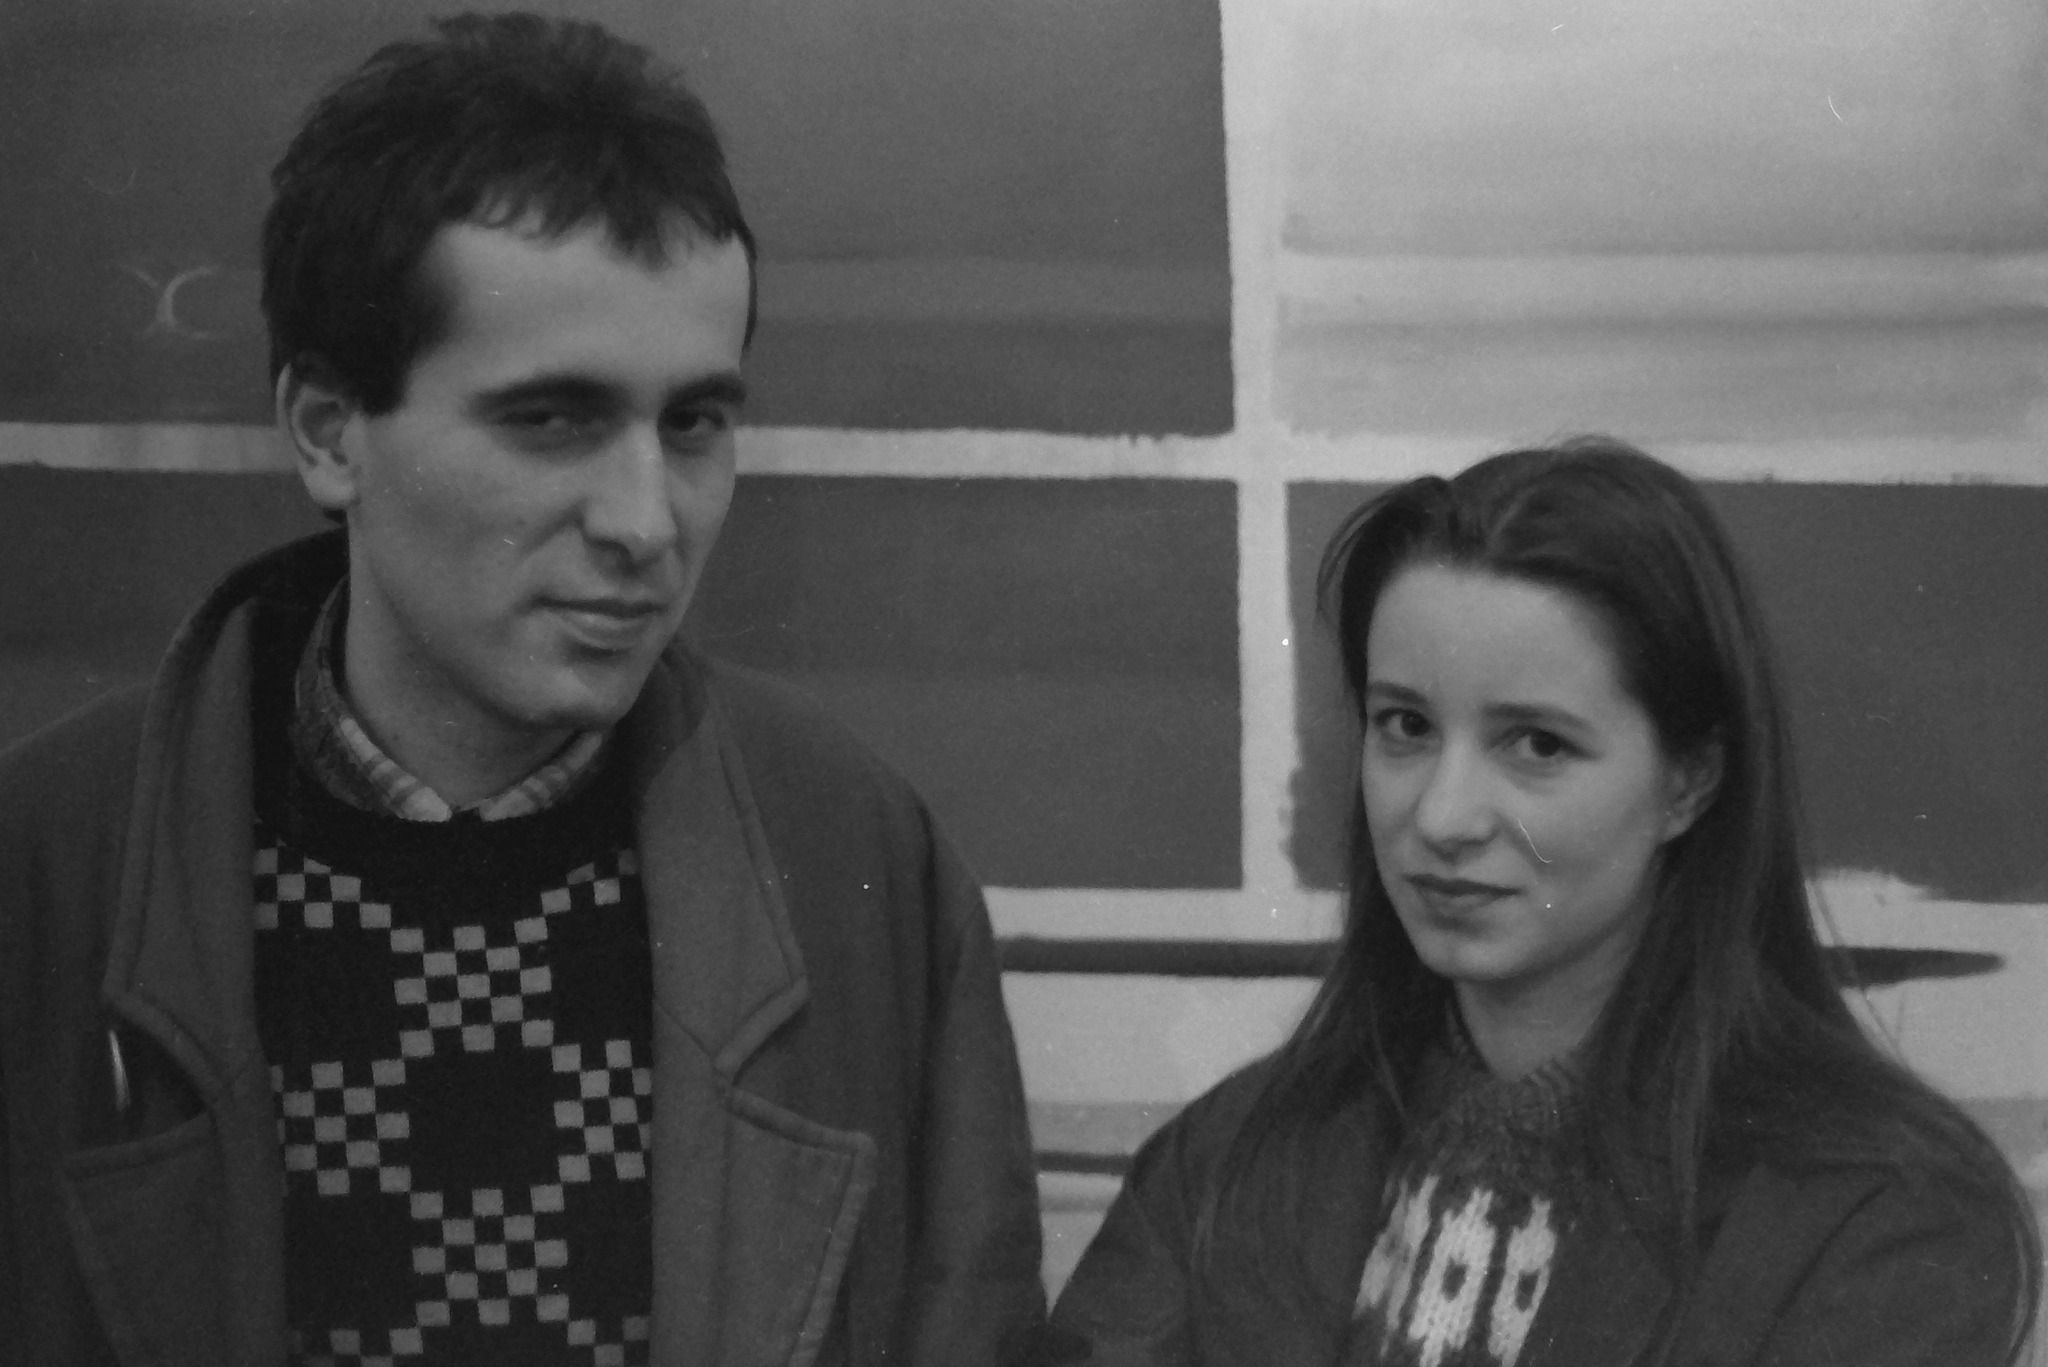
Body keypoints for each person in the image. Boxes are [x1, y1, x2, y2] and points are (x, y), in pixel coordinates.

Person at [0, 14, 1045, 1365]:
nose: (644, 521)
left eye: (694, 423)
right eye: (551, 420)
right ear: (328, 431)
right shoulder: (47, 869)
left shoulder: (861, 854)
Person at [1046, 438, 2040, 1366]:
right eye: (1404, 725)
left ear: (1689, 780)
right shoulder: (1223, 1159)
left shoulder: (1884, 1217)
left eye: (1536, 744)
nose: (1442, 815)